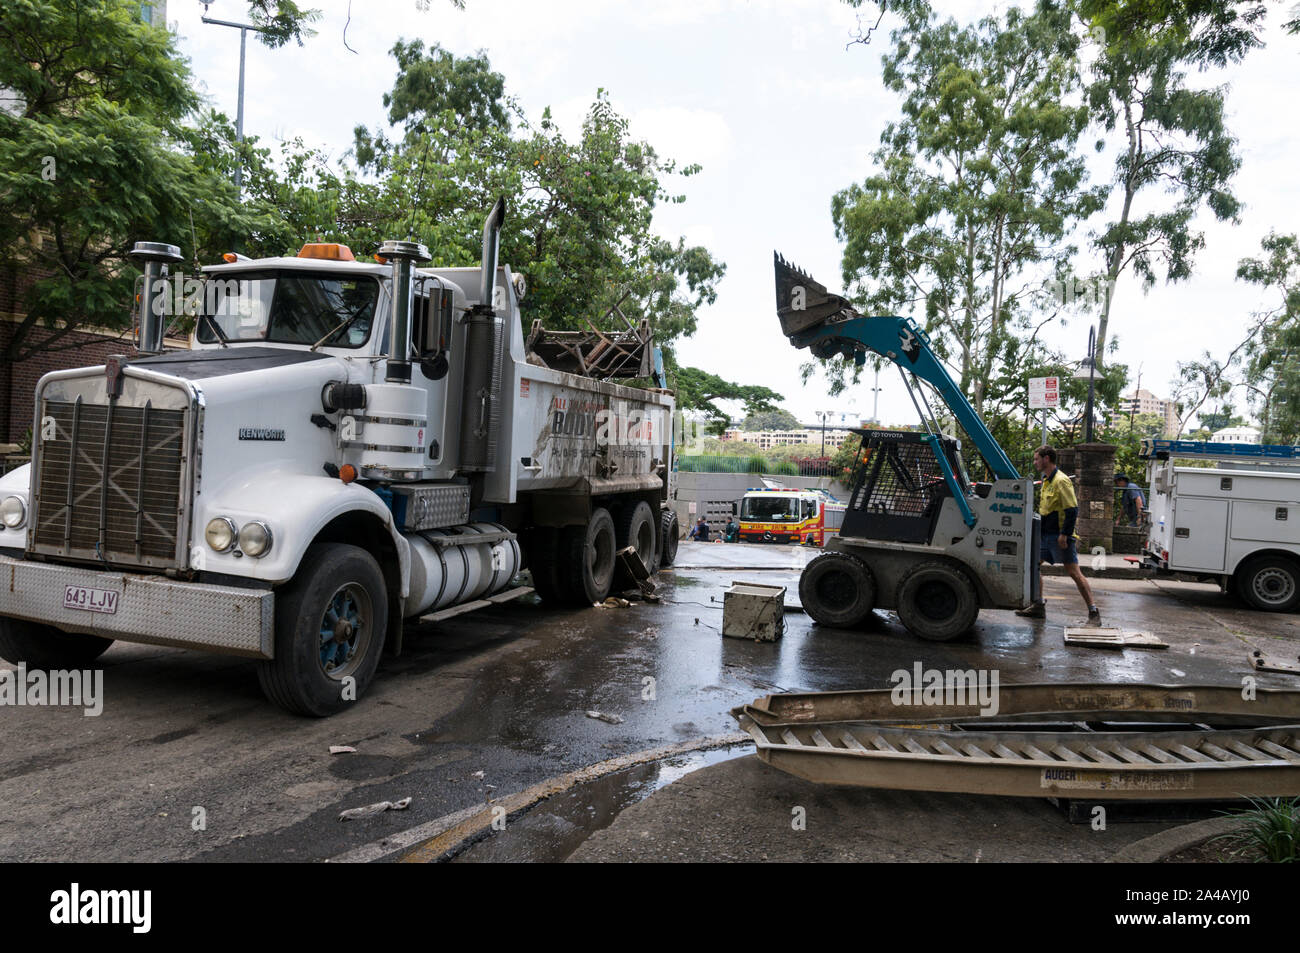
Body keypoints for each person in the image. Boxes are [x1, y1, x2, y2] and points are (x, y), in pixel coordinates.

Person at [1016, 445, 1101, 624]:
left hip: (1059, 536)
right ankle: (1038, 605)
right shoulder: (1046, 480)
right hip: (1045, 535)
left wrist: (1064, 535)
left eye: (1036, 459)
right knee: (1034, 566)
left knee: (1074, 573)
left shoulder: (1061, 481)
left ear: (1046, 459)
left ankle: (1093, 611)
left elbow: (1072, 510)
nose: (1035, 462)